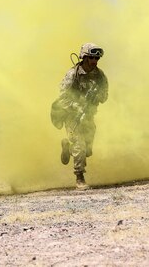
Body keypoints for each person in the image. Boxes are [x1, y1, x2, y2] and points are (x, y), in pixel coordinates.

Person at [51, 43, 109, 189]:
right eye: (91, 58)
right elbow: (62, 95)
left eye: (96, 59)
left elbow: (104, 95)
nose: (94, 61)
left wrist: (98, 97)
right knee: (80, 145)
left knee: (87, 150)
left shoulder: (100, 75)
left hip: (88, 115)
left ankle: (67, 147)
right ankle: (79, 178)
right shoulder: (73, 75)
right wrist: (76, 106)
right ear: (84, 57)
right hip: (72, 115)